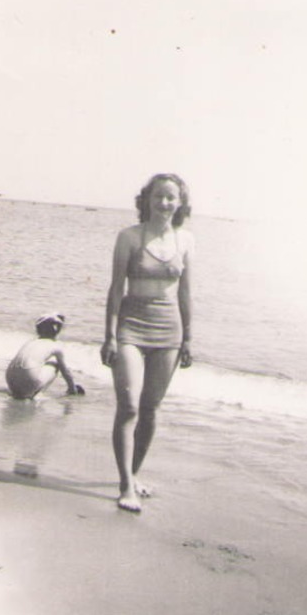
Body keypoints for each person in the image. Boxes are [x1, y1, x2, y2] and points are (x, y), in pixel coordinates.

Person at [100, 173, 194, 512]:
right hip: (130, 327)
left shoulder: (186, 241)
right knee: (129, 407)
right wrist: (109, 335)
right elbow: (115, 290)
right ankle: (125, 486)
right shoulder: (128, 238)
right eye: (158, 196)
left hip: (169, 331)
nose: (164, 203)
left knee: (151, 410)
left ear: (181, 203)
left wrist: (188, 339)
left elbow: (185, 293)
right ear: (146, 199)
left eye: (171, 197)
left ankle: (133, 474)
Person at [6, 313, 86, 400]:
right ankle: (37, 393)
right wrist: (72, 389)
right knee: (56, 364)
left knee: (36, 363)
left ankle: (21, 391)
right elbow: (66, 372)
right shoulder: (55, 346)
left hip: (10, 379)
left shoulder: (30, 342)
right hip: (29, 379)